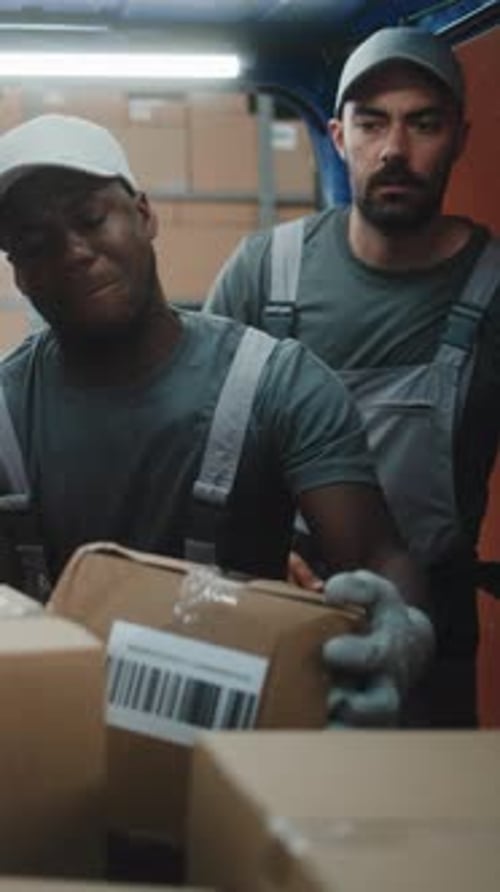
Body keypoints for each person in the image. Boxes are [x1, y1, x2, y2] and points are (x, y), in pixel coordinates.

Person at [0, 112, 433, 728]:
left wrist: (399, 632)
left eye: (91, 218)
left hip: (238, 741)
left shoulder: (278, 384)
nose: (72, 252)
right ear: (18, 271)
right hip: (49, 740)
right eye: (34, 244)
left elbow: (376, 556)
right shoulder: (6, 412)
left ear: (144, 215)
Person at [205, 26, 500, 727]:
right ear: (339, 137)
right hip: (273, 619)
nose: (394, 149)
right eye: (372, 123)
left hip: (431, 642)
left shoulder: (492, 290)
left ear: (459, 138)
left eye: (422, 124)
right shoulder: (264, 273)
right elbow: (194, 441)